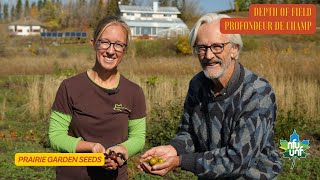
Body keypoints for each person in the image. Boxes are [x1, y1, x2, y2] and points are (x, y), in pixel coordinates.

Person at [139, 13, 282, 179]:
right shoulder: (197, 85)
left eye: (217, 47)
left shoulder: (257, 93)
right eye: (202, 48)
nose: (208, 56)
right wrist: (173, 149)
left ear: (234, 49)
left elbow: (237, 159)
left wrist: (180, 161)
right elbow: (189, 132)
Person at [48, 16, 146, 180]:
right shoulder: (70, 87)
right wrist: (90, 147)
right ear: (93, 43)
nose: (110, 50)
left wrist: (121, 151)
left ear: (125, 49)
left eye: (118, 45)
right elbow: (56, 136)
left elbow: (138, 137)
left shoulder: (134, 92)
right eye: (105, 42)